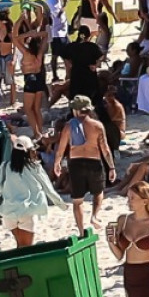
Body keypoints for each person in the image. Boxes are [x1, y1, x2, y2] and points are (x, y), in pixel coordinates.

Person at [51, 96, 113, 233]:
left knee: (77, 201)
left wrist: (57, 162)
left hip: (76, 163)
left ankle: (80, 230)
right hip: (94, 161)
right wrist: (112, 167)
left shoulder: (69, 126)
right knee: (98, 193)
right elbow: (105, 149)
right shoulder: (97, 126)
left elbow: (61, 147)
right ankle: (95, 216)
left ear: (76, 110)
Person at [0, 136, 63, 248]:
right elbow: (48, 188)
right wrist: (60, 204)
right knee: (26, 248)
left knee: (20, 245)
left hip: (9, 212)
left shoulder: (5, 166)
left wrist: (1, 192)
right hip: (27, 211)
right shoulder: (34, 167)